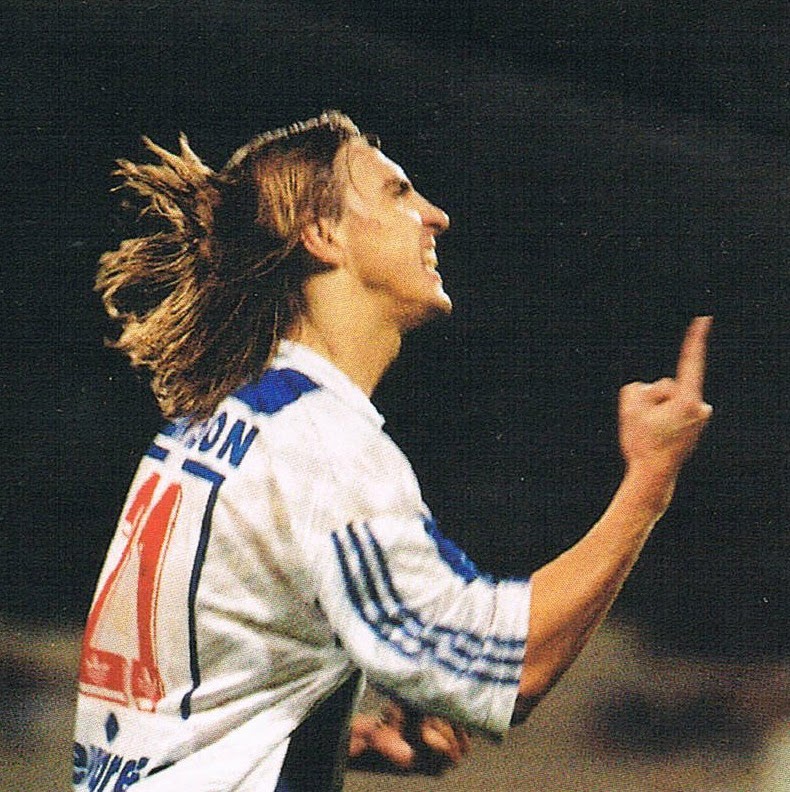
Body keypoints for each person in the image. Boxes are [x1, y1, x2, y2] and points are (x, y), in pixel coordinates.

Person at [73, 111, 713, 791]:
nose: (435, 216)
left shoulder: (213, 423)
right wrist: (651, 480)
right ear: (322, 234)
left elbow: (181, 698)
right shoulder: (323, 450)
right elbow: (514, 666)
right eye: (398, 192)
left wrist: (332, 739)